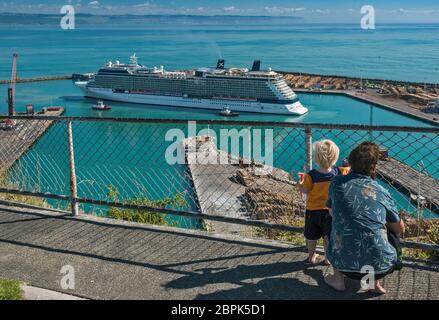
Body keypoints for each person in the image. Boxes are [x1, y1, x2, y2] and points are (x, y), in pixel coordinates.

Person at [324, 142, 405, 294]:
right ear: (373, 166)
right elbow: (399, 228)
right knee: (389, 229)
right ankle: (373, 283)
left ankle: (338, 280)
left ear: (349, 161)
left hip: (344, 264)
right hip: (382, 266)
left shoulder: (336, 183)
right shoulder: (382, 192)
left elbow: (330, 211)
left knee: (330, 221)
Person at [298, 140, 349, 264]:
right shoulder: (339, 173)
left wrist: (299, 183)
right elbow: (349, 169)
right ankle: (327, 258)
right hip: (330, 212)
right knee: (328, 237)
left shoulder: (311, 176)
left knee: (311, 237)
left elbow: (305, 190)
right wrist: (348, 164)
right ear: (335, 158)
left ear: (315, 158)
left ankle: (311, 256)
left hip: (313, 211)